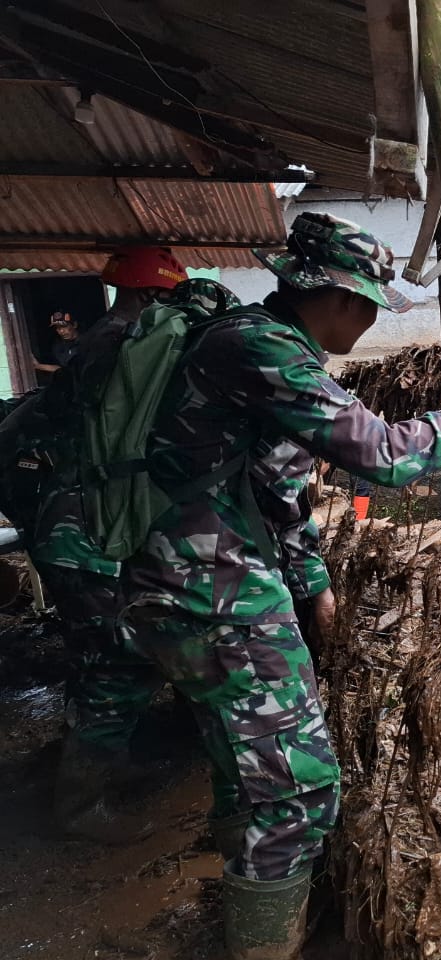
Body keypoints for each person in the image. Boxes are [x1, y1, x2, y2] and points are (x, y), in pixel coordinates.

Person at [118, 213, 441, 960]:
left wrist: (313, 585)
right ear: (342, 297)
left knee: (246, 768)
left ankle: (250, 899)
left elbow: (275, 491)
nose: (374, 317)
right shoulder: (258, 348)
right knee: (297, 790)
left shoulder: (270, 347)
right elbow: (382, 456)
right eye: (373, 303)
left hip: (203, 585)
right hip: (211, 594)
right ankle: (264, 944)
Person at [0, 248, 188, 847]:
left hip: (75, 524)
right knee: (116, 659)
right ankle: (82, 807)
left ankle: (107, 762)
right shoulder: (124, 349)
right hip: (84, 531)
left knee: (98, 652)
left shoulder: (103, 345)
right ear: (153, 297)